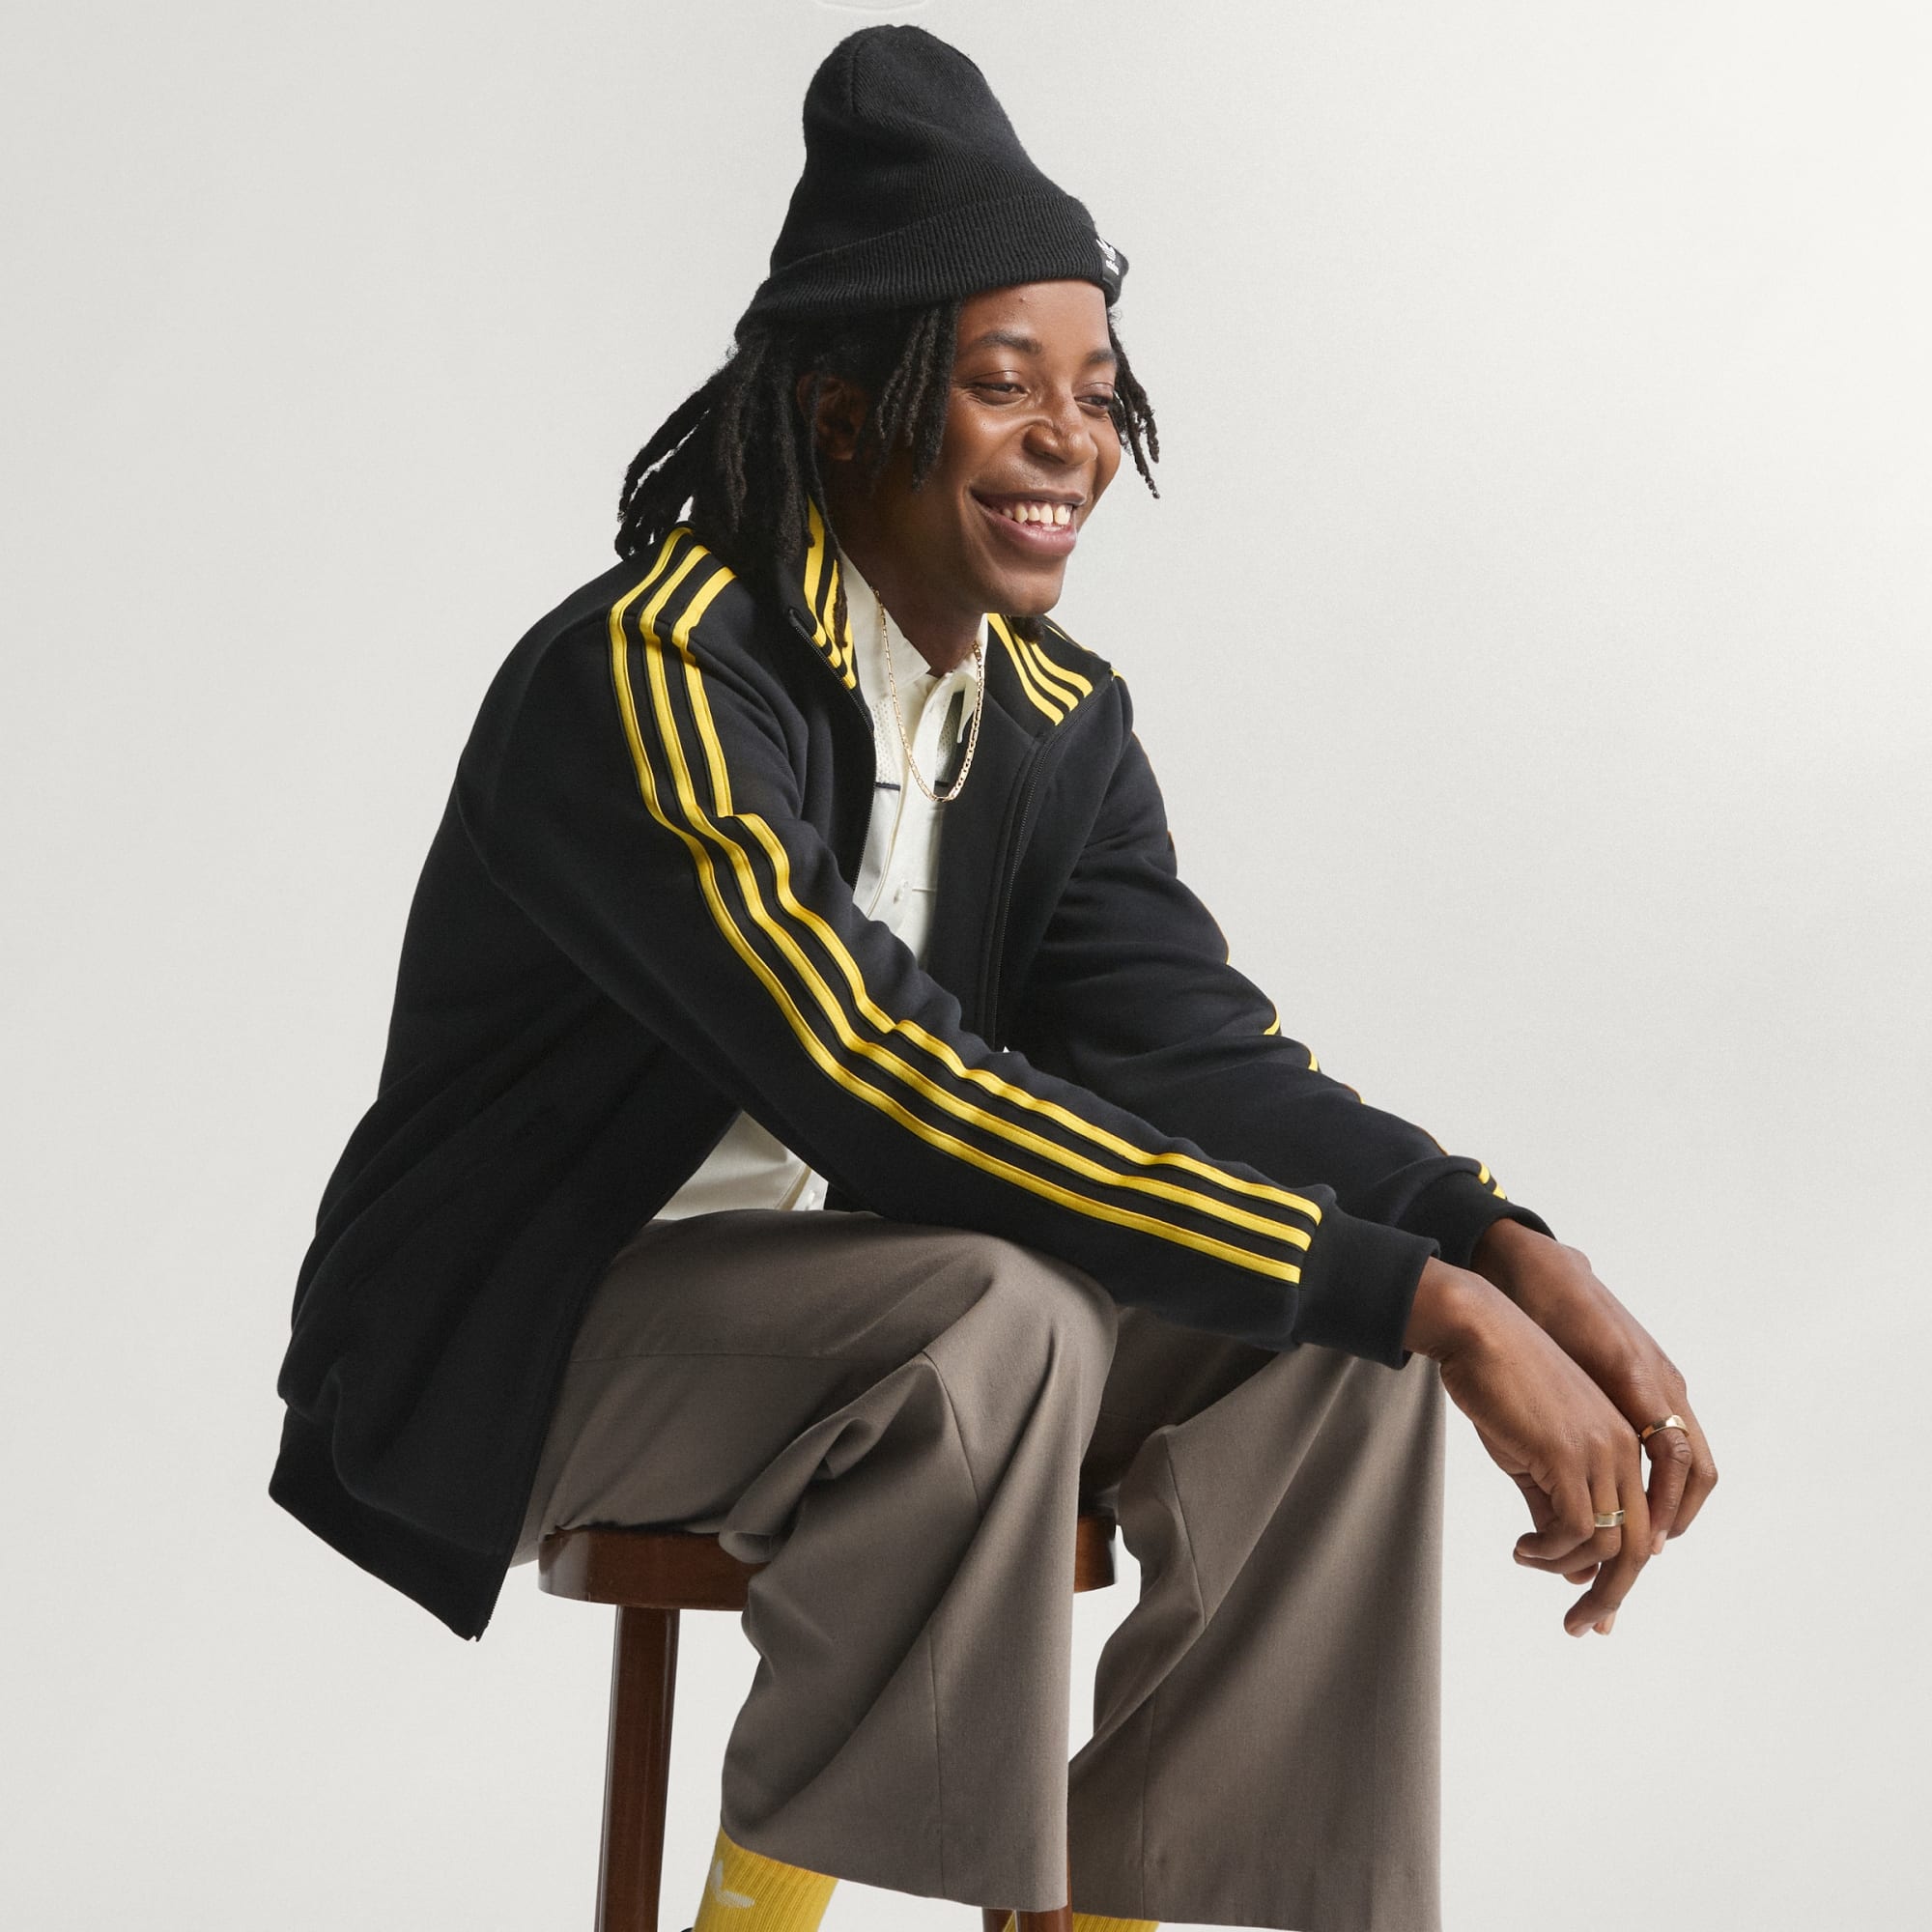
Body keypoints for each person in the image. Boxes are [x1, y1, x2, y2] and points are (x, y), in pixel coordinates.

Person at [270, 24, 1717, 1932]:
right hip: (536, 1337)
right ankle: (760, 1917)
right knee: (1002, 1305)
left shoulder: (1049, 720)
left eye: (1096, 395)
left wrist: (1496, 1250)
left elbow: (1203, 1065)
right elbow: (878, 1079)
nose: (1068, 439)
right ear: (847, 409)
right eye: (998, 384)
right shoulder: (655, 673)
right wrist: (1435, 1299)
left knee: (1326, 1356)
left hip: (870, 1326)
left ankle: (1146, 1908)